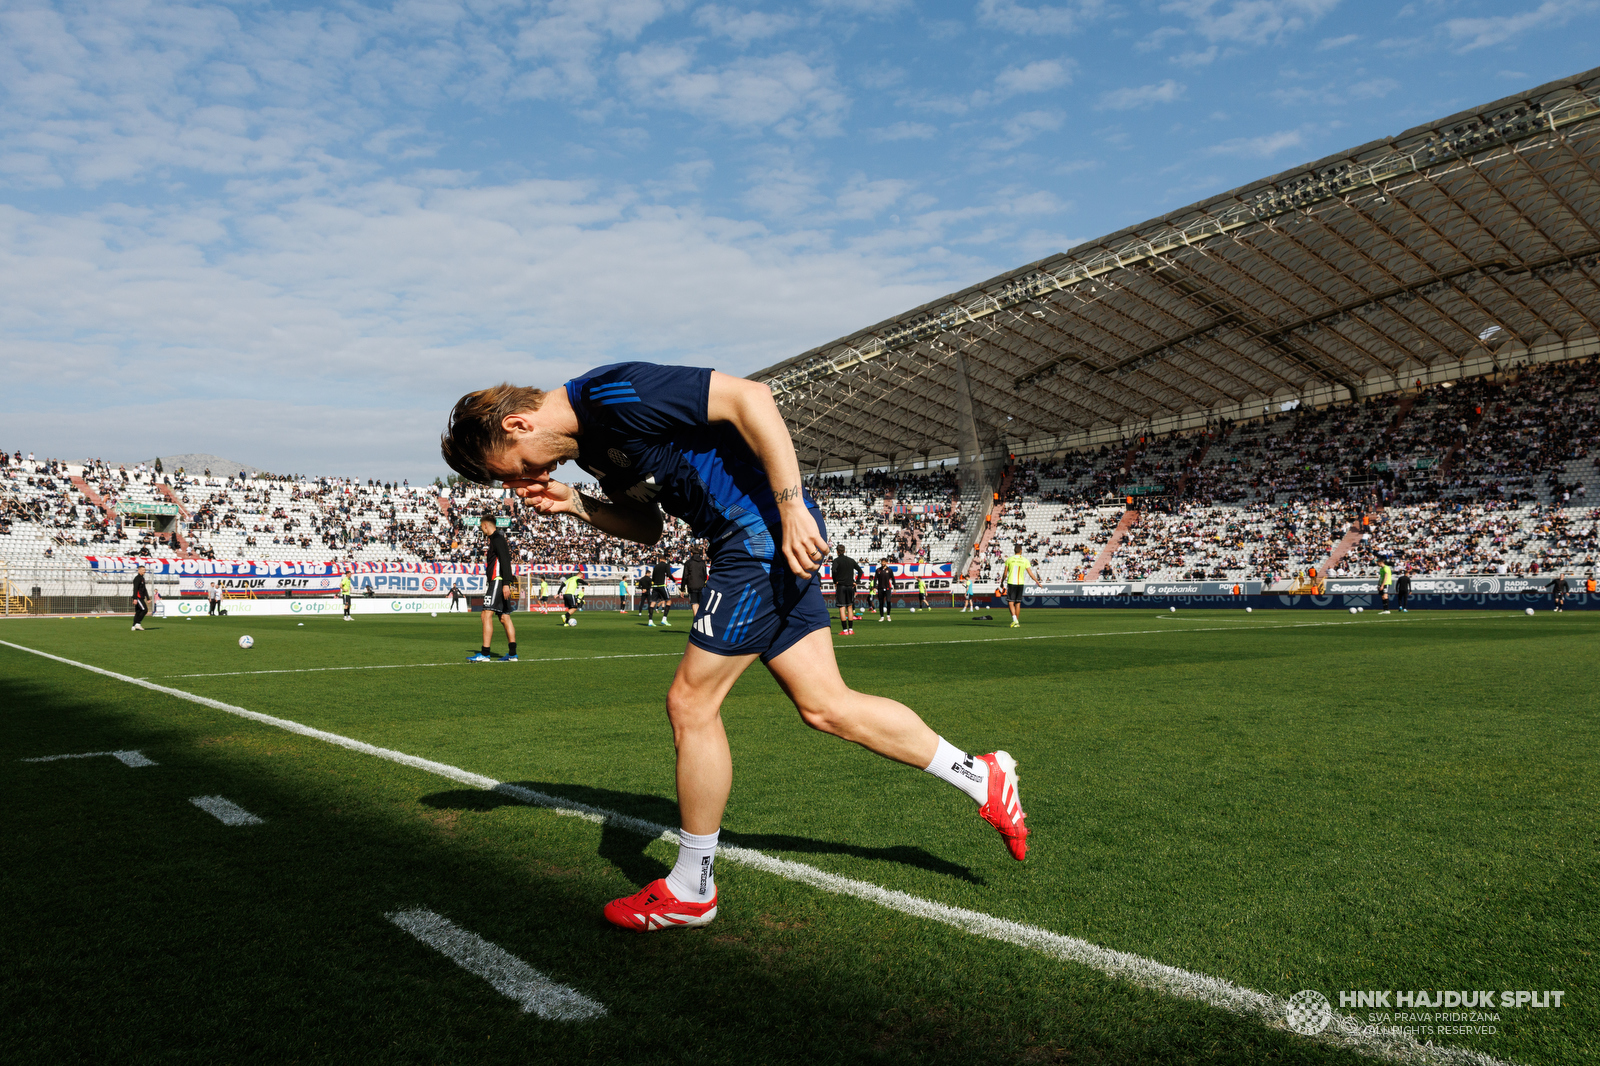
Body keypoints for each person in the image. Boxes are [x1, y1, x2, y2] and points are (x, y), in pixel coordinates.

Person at [441, 364, 1029, 931]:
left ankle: (693, 889)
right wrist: (576, 504)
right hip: (752, 544)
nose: (519, 483)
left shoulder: (608, 391)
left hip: (759, 539)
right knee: (827, 704)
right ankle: (981, 776)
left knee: (691, 704)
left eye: (512, 469)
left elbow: (751, 397)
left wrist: (792, 505)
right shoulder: (592, 450)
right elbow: (647, 527)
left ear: (518, 424)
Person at [470, 513, 518, 661]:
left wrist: (506, 583)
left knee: (485, 614)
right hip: (499, 581)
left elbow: (505, 560)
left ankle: (485, 654)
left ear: (485, 525)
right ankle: (512, 654)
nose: (481, 529)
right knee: (504, 617)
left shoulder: (497, 539)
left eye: (481, 526)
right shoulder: (496, 539)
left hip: (497, 581)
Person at [1002, 549, 1041, 628]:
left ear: (1014, 550)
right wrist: (1037, 582)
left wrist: (1001, 582)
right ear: (1021, 551)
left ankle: (1014, 619)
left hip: (1011, 582)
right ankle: (1016, 622)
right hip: (1020, 583)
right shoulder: (1025, 560)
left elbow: (1005, 573)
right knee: (1018, 603)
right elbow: (1030, 573)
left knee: (1010, 602)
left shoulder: (1009, 560)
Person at [832, 545, 861, 636]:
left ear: (837, 551)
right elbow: (860, 571)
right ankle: (851, 630)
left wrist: (835, 581)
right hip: (850, 586)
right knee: (850, 607)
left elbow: (833, 570)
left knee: (842, 608)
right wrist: (857, 581)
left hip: (841, 586)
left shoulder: (836, 561)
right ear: (844, 551)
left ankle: (845, 630)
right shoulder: (851, 560)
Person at [683, 544, 708, 618]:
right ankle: (700, 621)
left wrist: (682, 589)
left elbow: (685, 576)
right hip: (701, 585)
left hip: (692, 585)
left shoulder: (688, 563)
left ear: (691, 553)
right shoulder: (702, 562)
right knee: (700, 604)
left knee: (694, 603)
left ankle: (696, 621)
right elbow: (704, 575)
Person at [648, 555, 673, 627]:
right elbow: (669, 574)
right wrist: (674, 580)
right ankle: (664, 619)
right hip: (662, 586)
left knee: (652, 603)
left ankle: (650, 621)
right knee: (668, 601)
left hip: (655, 586)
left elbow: (653, 578)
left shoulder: (656, 566)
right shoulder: (666, 565)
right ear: (665, 559)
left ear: (659, 559)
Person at [131, 565, 149, 631]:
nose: (144, 571)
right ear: (139, 570)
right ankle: (137, 624)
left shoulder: (142, 578)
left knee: (138, 611)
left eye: (145, 570)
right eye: (143, 570)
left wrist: (148, 598)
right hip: (138, 597)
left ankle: (133, 626)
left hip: (141, 597)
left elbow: (144, 589)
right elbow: (135, 589)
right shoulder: (137, 578)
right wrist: (135, 598)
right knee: (145, 610)